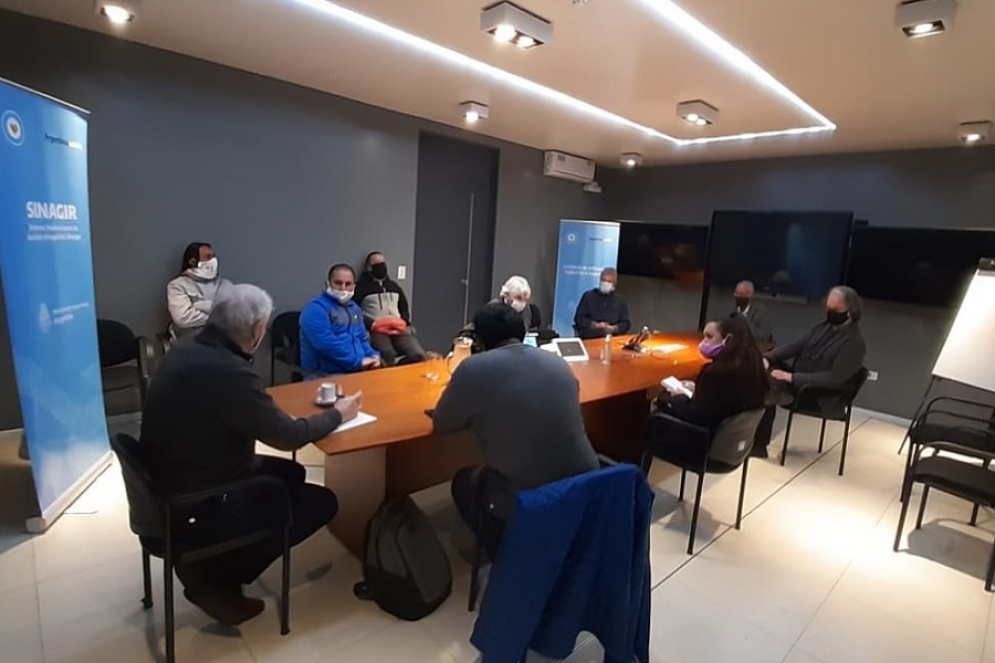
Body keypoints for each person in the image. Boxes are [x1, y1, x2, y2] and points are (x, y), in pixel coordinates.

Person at [141, 284, 363, 625]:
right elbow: (288, 438)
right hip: (197, 494)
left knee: (293, 474)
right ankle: (215, 577)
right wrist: (338, 414)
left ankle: (220, 559)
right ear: (259, 330)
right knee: (322, 502)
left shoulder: (187, 348)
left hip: (168, 475)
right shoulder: (228, 370)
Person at [433, 303, 599, 542]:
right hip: (585, 491)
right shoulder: (558, 362)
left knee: (463, 482)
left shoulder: (473, 368)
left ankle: (504, 551)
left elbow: (442, 423)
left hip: (529, 503)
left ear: (479, 341)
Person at [752, 286, 867, 458]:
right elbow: (794, 346)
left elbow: (835, 378)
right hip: (800, 382)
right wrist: (768, 358)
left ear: (851, 311)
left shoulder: (855, 343)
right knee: (764, 371)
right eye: (828, 308)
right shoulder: (822, 327)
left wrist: (791, 377)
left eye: (835, 309)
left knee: (768, 385)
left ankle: (758, 444)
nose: (830, 313)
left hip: (820, 394)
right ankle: (752, 437)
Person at [655, 315, 768, 429]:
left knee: (660, 401)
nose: (703, 342)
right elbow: (721, 399)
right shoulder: (753, 367)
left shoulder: (718, 373)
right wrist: (698, 388)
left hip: (702, 433)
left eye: (709, 337)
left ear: (728, 339)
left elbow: (698, 415)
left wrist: (677, 397)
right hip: (732, 434)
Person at [300, 264, 381, 375]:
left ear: (354, 286)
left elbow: (362, 338)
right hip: (324, 375)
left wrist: (373, 356)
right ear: (328, 284)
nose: (343, 288)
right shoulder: (315, 309)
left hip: (358, 370)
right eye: (338, 283)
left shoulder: (354, 309)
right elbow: (325, 344)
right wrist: (358, 362)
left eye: (348, 284)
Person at [354, 251, 427, 366]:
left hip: (398, 329)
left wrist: (404, 322)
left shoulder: (393, 286)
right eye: (376, 263)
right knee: (387, 354)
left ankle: (401, 370)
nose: (381, 266)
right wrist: (370, 324)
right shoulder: (360, 288)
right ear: (368, 267)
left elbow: (403, 306)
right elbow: (354, 310)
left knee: (418, 354)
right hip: (377, 331)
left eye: (382, 263)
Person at [166, 242, 233, 339]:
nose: (213, 260)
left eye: (213, 256)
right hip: (190, 340)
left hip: (223, 339)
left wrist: (200, 307)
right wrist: (216, 317)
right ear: (193, 261)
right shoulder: (177, 286)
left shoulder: (225, 285)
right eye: (208, 257)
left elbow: (234, 313)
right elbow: (182, 318)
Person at [574, 267, 632, 339]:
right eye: (603, 280)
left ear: (615, 283)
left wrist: (613, 328)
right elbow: (579, 318)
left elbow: (626, 324)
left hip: (612, 338)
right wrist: (596, 325)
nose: (606, 283)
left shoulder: (620, 301)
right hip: (590, 337)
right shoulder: (588, 296)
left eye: (609, 281)